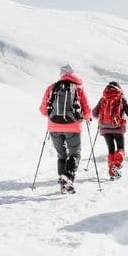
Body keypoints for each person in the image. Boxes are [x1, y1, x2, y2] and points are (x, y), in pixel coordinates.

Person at [39, 63, 91, 193]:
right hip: (73, 126)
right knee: (75, 153)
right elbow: (87, 110)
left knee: (61, 155)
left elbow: (43, 111)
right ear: (73, 74)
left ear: (61, 75)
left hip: (54, 126)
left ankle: (63, 184)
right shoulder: (78, 88)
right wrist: (86, 117)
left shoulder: (52, 88)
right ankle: (68, 177)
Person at [92, 81, 128, 179]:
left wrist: (102, 119)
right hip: (118, 127)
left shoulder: (103, 98)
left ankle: (111, 172)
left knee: (111, 150)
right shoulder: (120, 98)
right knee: (120, 148)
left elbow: (94, 113)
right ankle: (116, 165)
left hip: (105, 128)